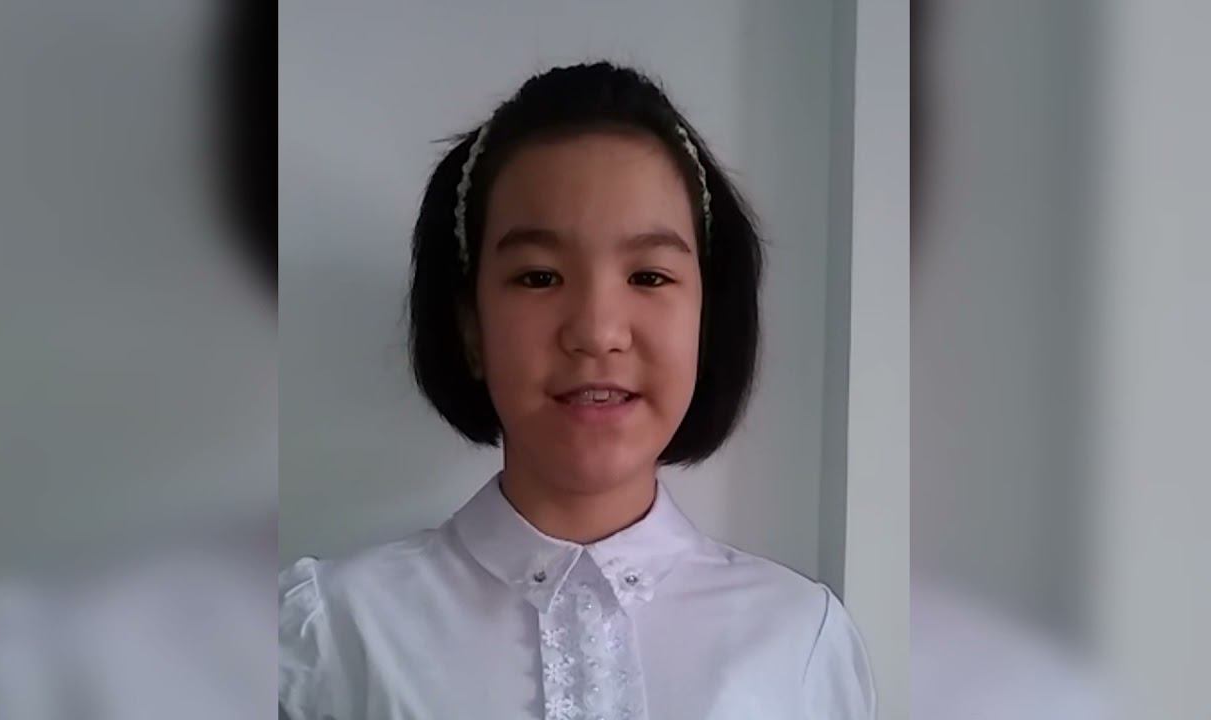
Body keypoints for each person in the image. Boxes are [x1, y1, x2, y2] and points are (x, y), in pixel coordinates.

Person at [279, 61, 875, 720]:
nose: (597, 333)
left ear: (706, 321)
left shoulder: (799, 643)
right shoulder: (334, 635)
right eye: (539, 277)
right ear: (471, 327)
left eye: (649, 277)